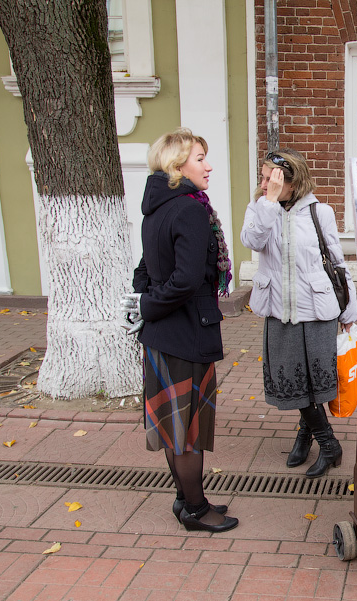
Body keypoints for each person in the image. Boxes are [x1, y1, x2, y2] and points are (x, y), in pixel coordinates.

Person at [120, 128, 238, 533]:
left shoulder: (156, 207)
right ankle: (196, 510)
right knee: (187, 431)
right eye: (200, 158)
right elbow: (186, 280)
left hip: (161, 336)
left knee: (176, 427)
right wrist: (147, 305)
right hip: (186, 335)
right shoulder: (189, 209)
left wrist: (143, 305)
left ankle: (185, 500)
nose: (209, 166)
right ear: (177, 165)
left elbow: (144, 269)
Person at [240, 149, 357, 478]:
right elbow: (252, 241)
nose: (265, 184)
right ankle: (326, 443)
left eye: (273, 179)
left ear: (293, 182)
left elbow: (337, 262)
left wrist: (349, 310)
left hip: (318, 311)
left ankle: (312, 438)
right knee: (292, 381)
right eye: (263, 177)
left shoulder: (321, 212)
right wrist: (268, 203)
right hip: (279, 311)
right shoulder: (260, 208)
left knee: (314, 383)